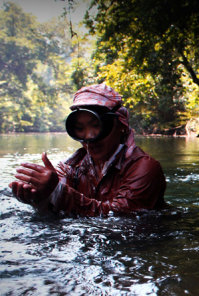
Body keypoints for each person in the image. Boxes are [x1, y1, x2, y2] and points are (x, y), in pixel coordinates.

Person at [9, 84, 166, 216]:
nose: (89, 137)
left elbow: (118, 217)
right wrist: (40, 199)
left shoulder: (144, 168)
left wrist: (57, 192)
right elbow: (59, 212)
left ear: (120, 126)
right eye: (79, 128)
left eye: (96, 126)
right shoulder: (72, 167)